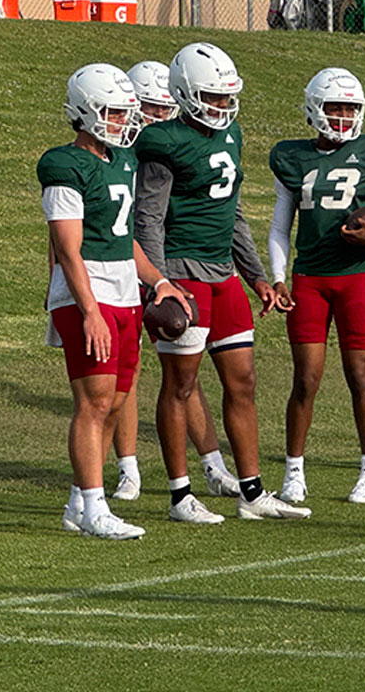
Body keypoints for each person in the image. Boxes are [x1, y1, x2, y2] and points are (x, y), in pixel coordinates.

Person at [135, 42, 310, 523]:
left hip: (223, 274)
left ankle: (251, 493)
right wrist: (159, 283)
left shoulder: (230, 133)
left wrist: (256, 276)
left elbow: (231, 213)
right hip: (183, 271)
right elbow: (147, 219)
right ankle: (180, 495)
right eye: (211, 97)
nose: (221, 106)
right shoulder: (163, 142)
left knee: (244, 381)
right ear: (187, 95)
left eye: (224, 97)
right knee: (181, 384)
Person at [39, 63, 189, 540]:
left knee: (117, 399)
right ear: (84, 113)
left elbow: (126, 240)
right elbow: (67, 247)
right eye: (114, 113)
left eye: (127, 114)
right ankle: (95, 506)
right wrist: (89, 311)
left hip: (124, 290)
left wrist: (158, 281)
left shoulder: (121, 160)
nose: (125, 122)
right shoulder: (63, 164)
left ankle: (80, 503)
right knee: (94, 402)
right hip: (90, 293)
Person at [267, 68, 365, 505]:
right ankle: (294, 472)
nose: (342, 116)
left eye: (350, 108)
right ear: (314, 107)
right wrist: (278, 277)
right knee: (306, 378)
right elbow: (280, 227)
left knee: (361, 375)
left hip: (355, 278)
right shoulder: (290, 157)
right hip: (310, 278)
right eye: (335, 107)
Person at [106, 61, 240, 503]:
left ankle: (213, 464)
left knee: (183, 371)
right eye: (146, 108)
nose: (153, 119)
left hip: (156, 266)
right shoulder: (111, 150)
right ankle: (128, 468)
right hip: (116, 268)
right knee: (126, 374)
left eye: (162, 109)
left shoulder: (168, 143)